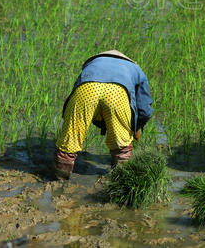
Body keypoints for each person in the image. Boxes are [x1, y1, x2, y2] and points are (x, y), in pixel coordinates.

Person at [53, 50, 153, 179]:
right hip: (117, 94)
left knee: (68, 145)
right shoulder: (135, 68)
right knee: (122, 147)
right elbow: (144, 108)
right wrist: (136, 126)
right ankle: (120, 181)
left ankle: (59, 182)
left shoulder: (92, 64)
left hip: (86, 90)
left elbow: (75, 95)